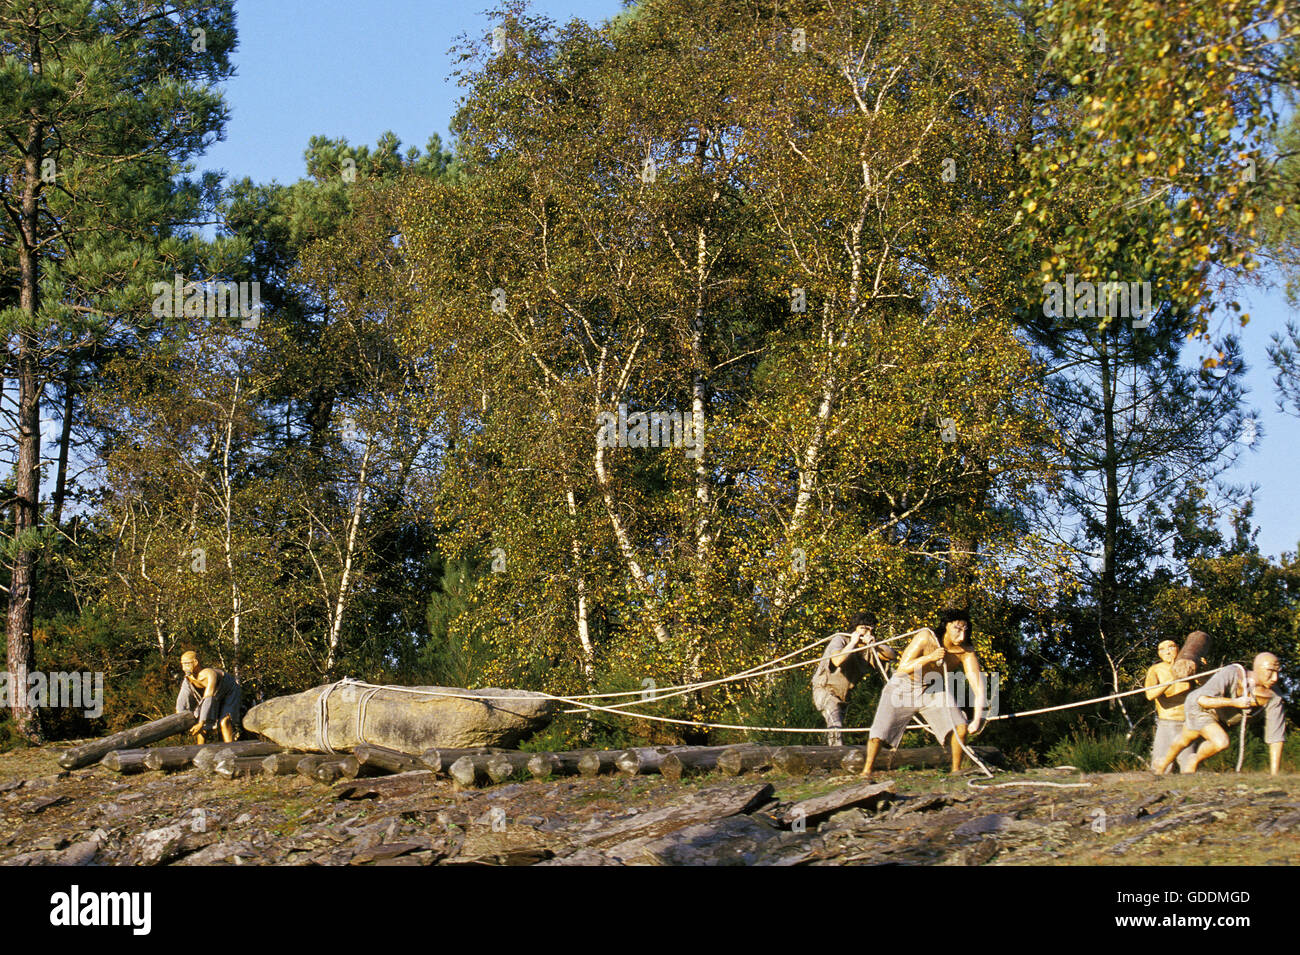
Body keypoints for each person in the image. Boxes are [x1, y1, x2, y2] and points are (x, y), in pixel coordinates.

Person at [861, 608, 985, 776]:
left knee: (960, 728)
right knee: (879, 733)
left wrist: (977, 720)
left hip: (932, 688)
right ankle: (867, 771)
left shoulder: (966, 651)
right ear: (946, 626)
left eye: (965, 630)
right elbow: (902, 668)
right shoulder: (926, 637)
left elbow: (978, 688)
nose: (962, 636)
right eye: (957, 629)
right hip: (902, 686)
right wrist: (930, 657)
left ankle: (956, 772)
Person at [1153, 652, 1286, 776]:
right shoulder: (1233, 672)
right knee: (1220, 742)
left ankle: (1162, 763)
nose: (1275, 678)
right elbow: (1202, 700)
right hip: (1199, 706)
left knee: (1185, 738)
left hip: (1220, 714)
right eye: (1270, 672)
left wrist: (1274, 775)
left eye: (1277, 672)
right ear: (1257, 669)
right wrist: (1234, 703)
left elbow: (1276, 737)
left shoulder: (1273, 696)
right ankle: (1193, 759)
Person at [812, 612, 878, 746]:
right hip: (825, 690)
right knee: (835, 726)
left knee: (835, 729)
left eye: (870, 629)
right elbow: (836, 661)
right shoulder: (841, 639)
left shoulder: (868, 648)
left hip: (843, 695)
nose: (867, 632)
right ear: (855, 628)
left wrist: (875, 645)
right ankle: (837, 758)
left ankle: (824, 760)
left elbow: (891, 654)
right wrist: (853, 642)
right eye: (864, 628)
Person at [1145, 639, 1198, 773]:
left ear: (1178, 648)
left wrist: (1203, 668)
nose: (1167, 651)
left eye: (1171, 647)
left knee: (1189, 765)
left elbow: (1205, 686)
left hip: (1187, 723)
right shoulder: (1155, 670)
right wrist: (1172, 679)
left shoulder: (1188, 666)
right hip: (1166, 723)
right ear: (1158, 654)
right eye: (1162, 649)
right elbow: (1150, 695)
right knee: (1160, 767)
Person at [176, 650, 241, 744]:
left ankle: (230, 750)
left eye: (186, 664)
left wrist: (201, 723)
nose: (183, 668)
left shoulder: (210, 674)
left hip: (229, 692)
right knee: (202, 724)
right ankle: (199, 752)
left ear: (195, 662)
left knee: (224, 722)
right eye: (182, 664)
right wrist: (179, 720)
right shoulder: (188, 679)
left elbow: (209, 698)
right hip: (212, 696)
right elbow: (182, 700)